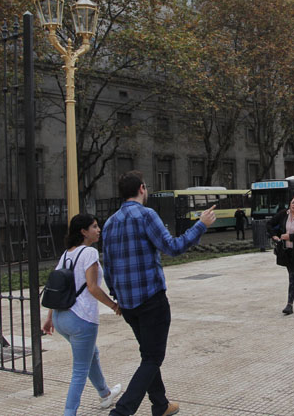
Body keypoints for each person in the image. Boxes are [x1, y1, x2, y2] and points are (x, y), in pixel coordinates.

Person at [102, 170, 216, 416]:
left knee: (148, 354)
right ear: (142, 189)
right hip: (151, 300)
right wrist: (201, 225)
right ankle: (121, 412)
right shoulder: (146, 216)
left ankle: (160, 404)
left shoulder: (110, 223)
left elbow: (107, 267)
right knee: (153, 358)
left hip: (128, 304)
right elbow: (173, 248)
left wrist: (116, 296)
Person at [42, 213, 123, 416]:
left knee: (91, 355)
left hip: (62, 318)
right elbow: (93, 288)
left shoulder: (66, 254)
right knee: (79, 370)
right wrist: (114, 305)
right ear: (83, 231)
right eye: (94, 226)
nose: (98, 230)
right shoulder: (89, 253)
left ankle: (105, 394)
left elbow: (56, 288)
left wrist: (50, 317)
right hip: (82, 319)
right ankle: (69, 413)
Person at [267, 195, 294, 315]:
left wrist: (290, 237)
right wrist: (274, 236)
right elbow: (269, 224)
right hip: (285, 251)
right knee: (293, 275)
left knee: (292, 275)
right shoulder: (283, 214)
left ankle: (289, 305)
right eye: (292, 202)